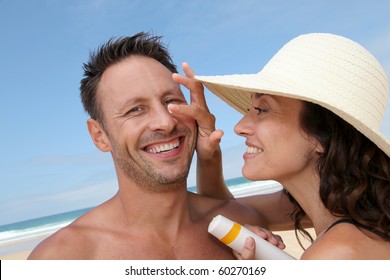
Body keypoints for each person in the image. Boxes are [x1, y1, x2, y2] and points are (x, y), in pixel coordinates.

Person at [27, 32, 290, 260]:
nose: (165, 122)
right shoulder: (64, 258)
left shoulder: (242, 226)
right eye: (135, 109)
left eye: (171, 101)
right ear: (99, 136)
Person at [189, 33, 390, 259]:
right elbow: (223, 211)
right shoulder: (342, 207)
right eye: (249, 110)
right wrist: (208, 155)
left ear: (320, 136)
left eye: (262, 110)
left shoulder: (336, 253)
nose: (239, 127)